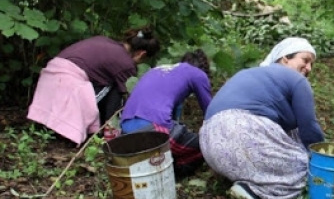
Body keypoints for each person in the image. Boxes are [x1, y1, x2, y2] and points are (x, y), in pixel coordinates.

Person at [199, 37, 325, 199]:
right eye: (305, 60)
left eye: (312, 64)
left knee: (293, 139)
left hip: (209, 144)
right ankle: (258, 194)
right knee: (305, 168)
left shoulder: (252, 74)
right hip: (240, 132)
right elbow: (309, 127)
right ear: (285, 58)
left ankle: (245, 180)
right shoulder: (296, 80)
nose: (309, 68)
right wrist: (324, 157)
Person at [27, 26, 160, 145]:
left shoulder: (103, 40)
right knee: (117, 89)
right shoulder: (125, 63)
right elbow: (129, 99)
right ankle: (110, 133)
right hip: (68, 83)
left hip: (49, 78)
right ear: (141, 54)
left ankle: (46, 125)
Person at [120, 49, 213, 180]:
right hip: (152, 130)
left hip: (125, 131)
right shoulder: (198, 74)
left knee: (175, 134)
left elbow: (174, 113)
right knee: (204, 145)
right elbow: (211, 112)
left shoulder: (158, 70)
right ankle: (173, 176)